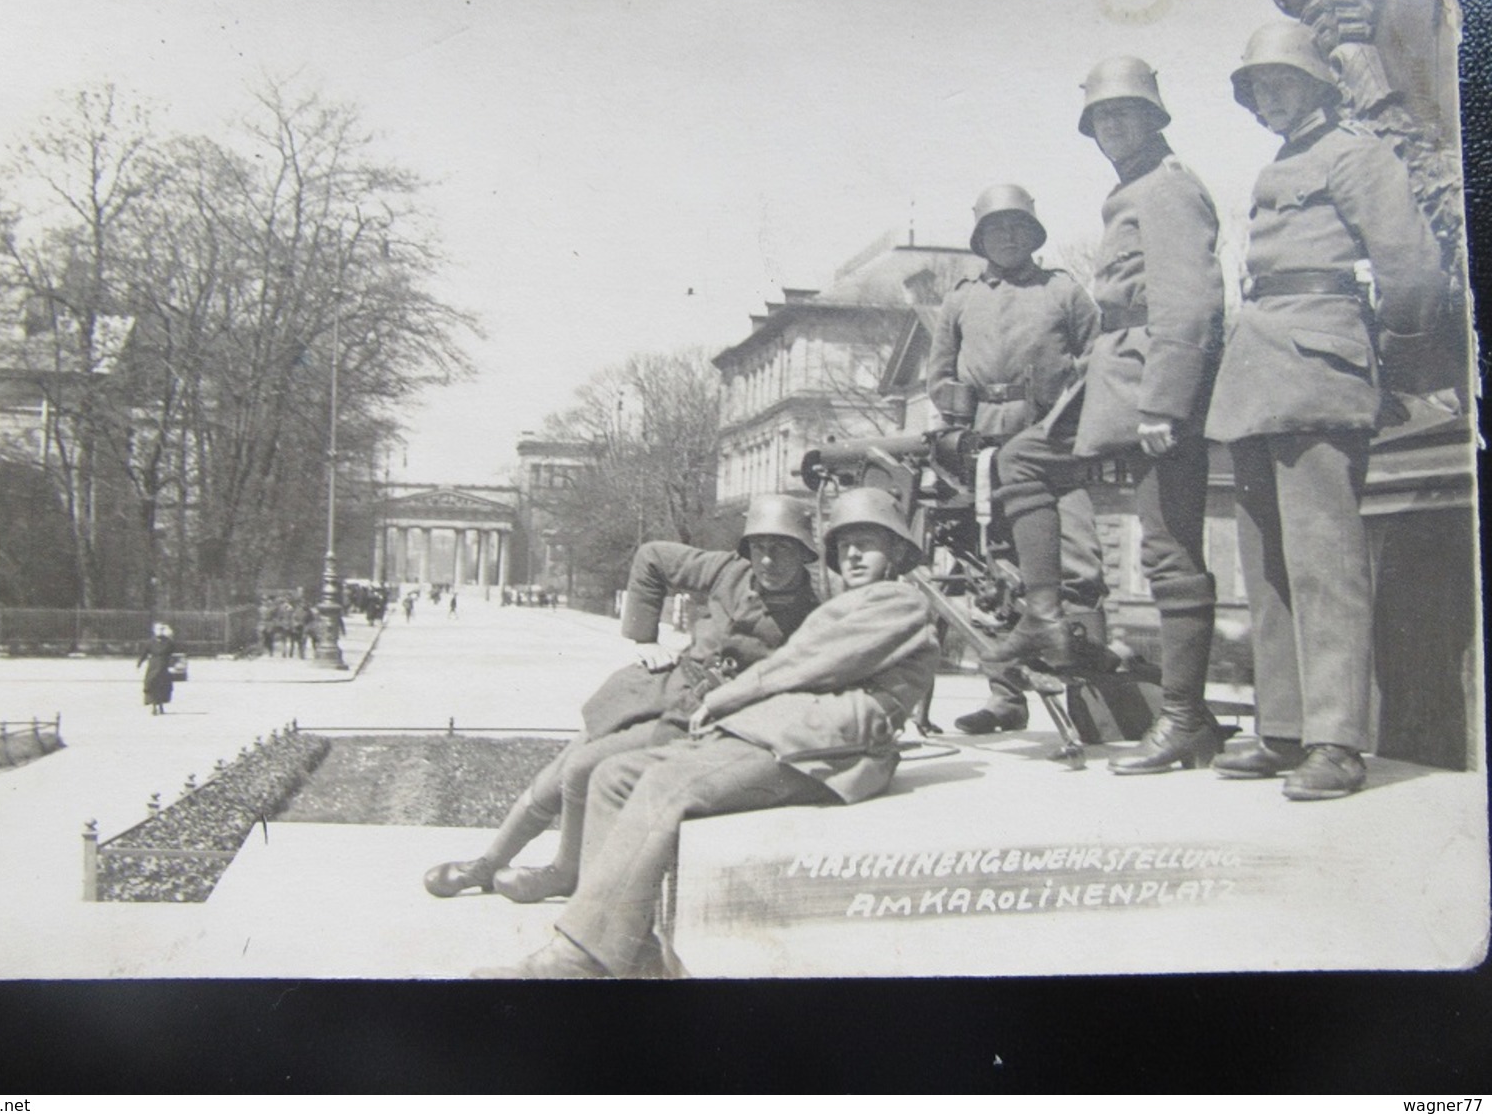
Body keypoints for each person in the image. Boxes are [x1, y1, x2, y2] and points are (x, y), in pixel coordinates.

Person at [473, 487, 940, 979]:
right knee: (614, 775)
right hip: (776, 733)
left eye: (868, 543)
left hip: (828, 749)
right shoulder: (840, 604)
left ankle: (578, 959)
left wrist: (726, 698)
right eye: (844, 544)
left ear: (898, 552)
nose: (852, 554)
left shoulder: (898, 602)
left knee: (664, 787)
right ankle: (632, 951)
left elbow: (811, 662)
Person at [1205, 21, 1448, 800]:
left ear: (1316, 84)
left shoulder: (1354, 153)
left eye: (1280, 82)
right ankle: (1281, 727)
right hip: (1255, 372)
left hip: (1318, 365)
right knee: (1268, 562)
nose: (1267, 97)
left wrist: (1396, 357)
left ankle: (1336, 742)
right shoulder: (1281, 164)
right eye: (1257, 87)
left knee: (1324, 564)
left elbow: (1412, 272)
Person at [989, 55, 1226, 774]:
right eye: (1100, 118)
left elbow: (1192, 302)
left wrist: (1165, 398)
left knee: (1168, 551)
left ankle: (1185, 719)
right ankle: (1043, 619)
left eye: (1124, 113)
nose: (1111, 127)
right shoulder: (1131, 189)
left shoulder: (1167, 189)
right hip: (1114, 374)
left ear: (1154, 118)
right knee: (1020, 460)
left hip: (1154, 381)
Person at [423, 493, 824, 903]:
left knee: (582, 768)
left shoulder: (816, 614)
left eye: (782, 549)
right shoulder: (728, 570)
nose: (768, 562)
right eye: (760, 548)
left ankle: (566, 872)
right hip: (661, 687)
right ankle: (487, 865)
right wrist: (644, 636)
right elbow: (652, 557)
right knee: (557, 771)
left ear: (804, 552)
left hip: (701, 721)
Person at [925, 183, 1106, 735]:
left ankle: (1094, 705)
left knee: (1077, 558)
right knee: (992, 565)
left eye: (1016, 227)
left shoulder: (1064, 292)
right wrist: (958, 403)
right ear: (980, 239)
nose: (1006, 236)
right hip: (984, 446)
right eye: (995, 228)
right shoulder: (960, 299)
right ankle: (1006, 696)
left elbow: (1100, 357)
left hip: (1055, 441)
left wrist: (1070, 407)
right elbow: (938, 376)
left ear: (1032, 234)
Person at [135, 623, 176, 716]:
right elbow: (144, 654)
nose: (159, 631)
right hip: (153, 666)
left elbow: (173, 655)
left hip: (164, 666)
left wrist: (172, 666)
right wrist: (139, 664)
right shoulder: (150, 642)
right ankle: (153, 706)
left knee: (163, 686)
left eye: (161, 629)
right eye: (157, 629)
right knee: (151, 684)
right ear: (154, 630)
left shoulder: (169, 642)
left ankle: (161, 706)